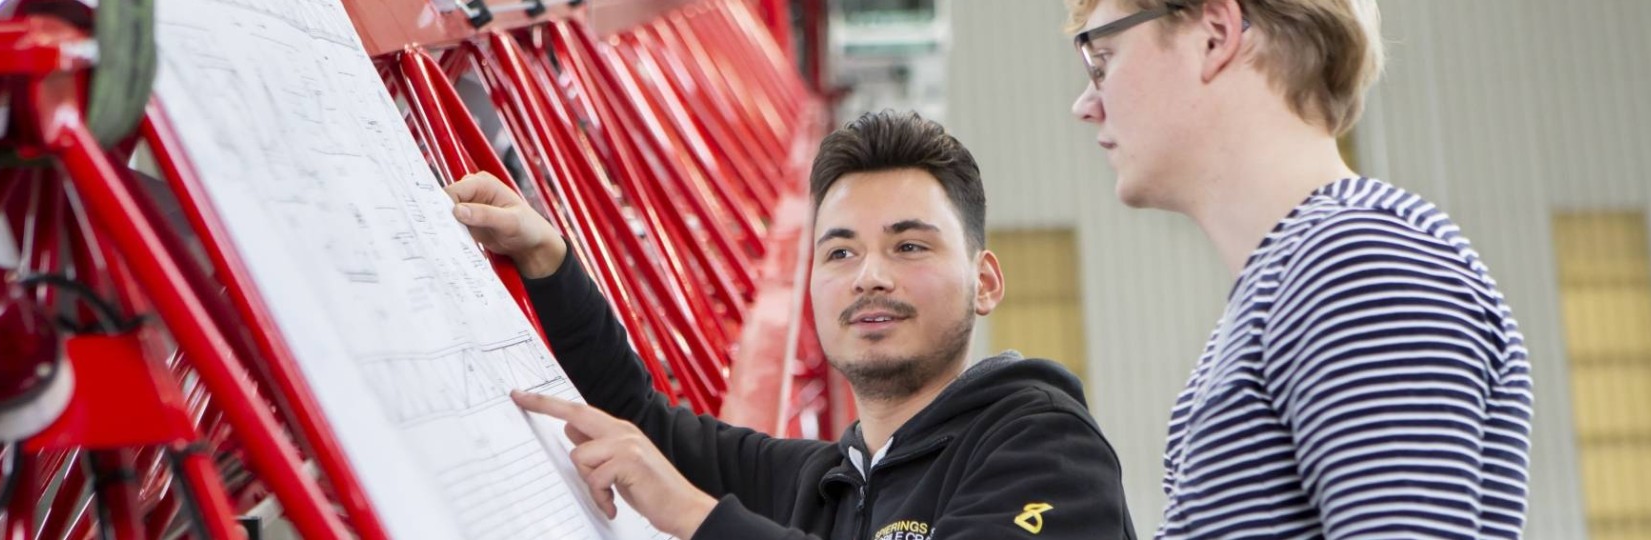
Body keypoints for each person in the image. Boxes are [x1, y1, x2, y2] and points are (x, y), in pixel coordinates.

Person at [445, 110, 1135, 539]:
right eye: (840, 251)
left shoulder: (1047, 448)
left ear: (985, 283)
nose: (869, 274)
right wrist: (549, 261)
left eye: (910, 245)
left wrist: (693, 514)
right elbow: (638, 424)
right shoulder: (824, 485)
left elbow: (676, 490)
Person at [1062, 0, 1533, 537]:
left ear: (1215, 34)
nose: (1086, 104)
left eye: (1102, 58)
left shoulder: (1359, 264)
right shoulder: (1287, 291)